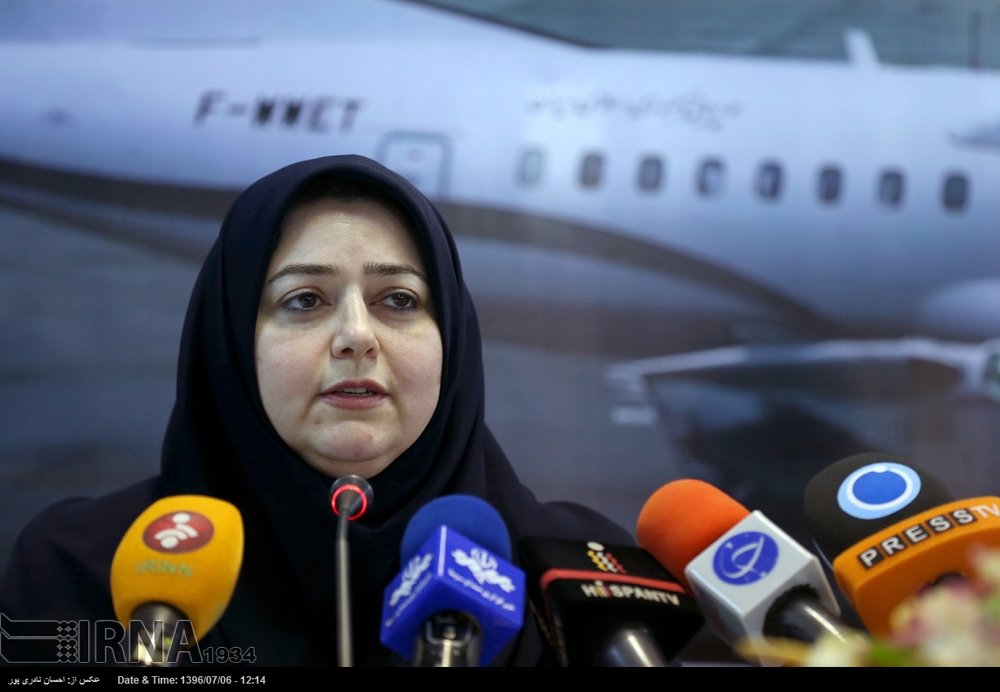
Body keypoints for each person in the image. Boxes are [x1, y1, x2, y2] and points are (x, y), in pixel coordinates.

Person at [0, 154, 634, 667]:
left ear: (453, 338)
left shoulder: (584, 581)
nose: (357, 335)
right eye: (304, 300)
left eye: (399, 300)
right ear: (231, 342)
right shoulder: (79, 571)